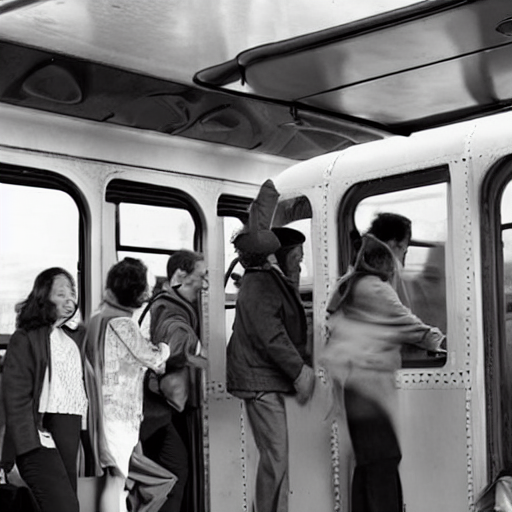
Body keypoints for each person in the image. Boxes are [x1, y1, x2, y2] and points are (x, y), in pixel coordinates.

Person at [321, 225, 446, 512]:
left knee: (367, 464)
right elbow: (410, 324)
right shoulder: (374, 288)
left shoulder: (349, 285)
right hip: (368, 391)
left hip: (355, 389)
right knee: (383, 461)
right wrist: (441, 341)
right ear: (385, 261)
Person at [226, 179, 315, 512]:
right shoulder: (262, 283)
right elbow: (271, 335)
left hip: (262, 379)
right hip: (260, 382)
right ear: (280, 256)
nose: (301, 263)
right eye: (298, 257)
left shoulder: (266, 280)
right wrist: (299, 372)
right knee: (275, 458)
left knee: (277, 457)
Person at [83, 257, 170, 512]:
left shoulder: (97, 319)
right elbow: (153, 357)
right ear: (136, 292)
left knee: (114, 482)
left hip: (101, 413)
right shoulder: (124, 324)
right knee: (117, 484)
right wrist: (165, 348)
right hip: (119, 417)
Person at [2, 267, 87, 512]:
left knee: (67, 500)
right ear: (43, 297)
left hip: (69, 425)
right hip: (38, 432)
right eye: (60, 294)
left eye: (72, 293)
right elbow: (15, 399)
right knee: (64, 507)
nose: (69, 299)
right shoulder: (26, 338)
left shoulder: (72, 337)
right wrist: (28, 447)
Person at [139, 249, 208, 512]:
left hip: (155, 408)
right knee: (175, 472)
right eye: (200, 276)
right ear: (180, 275)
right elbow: (172, 350)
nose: (204, 284)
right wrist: (199, 356)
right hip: (155, 410)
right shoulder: (171, 310)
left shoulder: (161, 302)